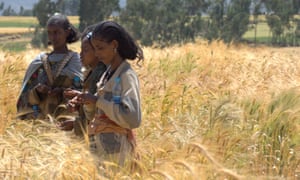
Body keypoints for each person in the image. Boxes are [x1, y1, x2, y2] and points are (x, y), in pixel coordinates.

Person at [75, 21, 144, 167]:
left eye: (100, 48)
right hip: (101, 151)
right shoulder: (107, 74)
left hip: (117, 154)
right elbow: (96, 113)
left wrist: (97, 101)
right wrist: (88, 103)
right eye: (95, 48)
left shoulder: (126, 75)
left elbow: (132, 118)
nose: (97, 53)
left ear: (114, 45)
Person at [16, 13, 83, 120]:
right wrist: (37, 92)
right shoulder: (39, 61)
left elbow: (84, 92)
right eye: (49, 33)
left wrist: (62, 91)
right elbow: (24, 99)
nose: (53, 37)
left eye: (57, 32)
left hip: (67, 122)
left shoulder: (76, 61)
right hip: (41, 123)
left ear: (67, 32)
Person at [57, 25, 106, 136]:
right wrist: (80, 99)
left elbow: (99, 113)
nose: (81, 54)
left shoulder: (100, 75)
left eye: (86, 50)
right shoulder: (92, 73)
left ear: (97, 51)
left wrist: (75, 125)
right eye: (81, 50)